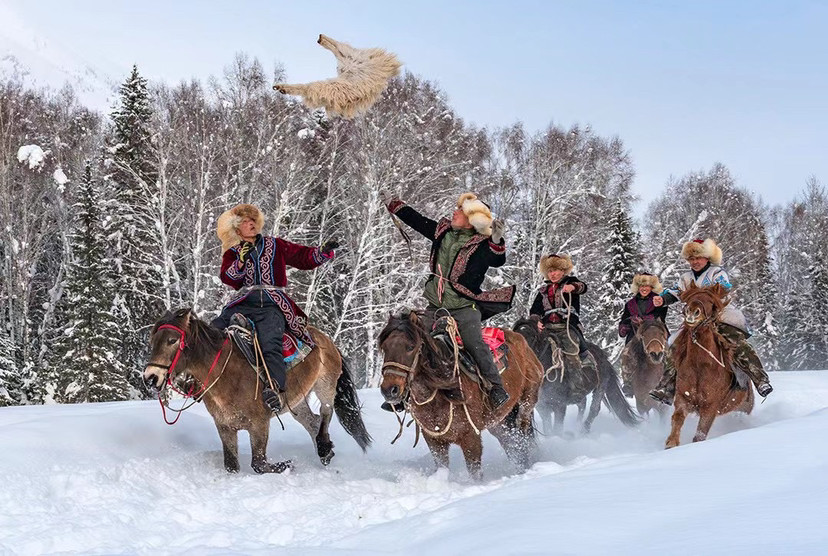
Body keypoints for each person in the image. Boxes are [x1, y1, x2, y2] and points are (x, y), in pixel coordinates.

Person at [380, 190, 515, 409]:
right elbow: (416, 220)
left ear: (472, 220)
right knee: (412, 341)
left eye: (460, 211)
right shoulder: (442, 232)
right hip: (435, 306)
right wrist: (394, 204)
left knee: (475, 344)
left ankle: (495, 388)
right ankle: (403, 395)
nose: (454, 212)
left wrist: (497, 241)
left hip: (464, 307)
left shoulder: (482, 244)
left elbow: (496, 260)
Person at [212, 203, 337, 413]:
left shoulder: (275, 245)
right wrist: (240, 262)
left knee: (270, 341)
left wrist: (322, 252)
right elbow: (229, 278)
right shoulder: (232, 253)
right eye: (245, 222)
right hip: (244, 301)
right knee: (213, 330)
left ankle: (275, 390)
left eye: (253, 221)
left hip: (273, 302)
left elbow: (302, 257)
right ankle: (199, 380)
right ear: (237, 229)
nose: (251, 224)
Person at [648, 238, 773, 404]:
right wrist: (662, 299)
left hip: (719, 316)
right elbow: (676, 292)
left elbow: (722, 289)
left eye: (698, 258)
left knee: (737, 343)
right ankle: (667, 387)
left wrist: (700, 297)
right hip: (694, 320)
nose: (695, 262)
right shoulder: (685, 277)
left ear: (707, 258)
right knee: (674, 345)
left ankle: (760, 379)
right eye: (691, 259)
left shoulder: (717, 273)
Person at [529, 253, 595, 394]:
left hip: (566, 326)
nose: (553, 274)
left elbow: (583, 287)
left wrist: (573, 287)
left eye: (556, 270)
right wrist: (536, 321)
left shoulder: (571, 282)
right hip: (547, 328)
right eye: (550, 271)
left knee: (571, 353)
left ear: (563, 271)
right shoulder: (543, 291)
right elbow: (534, 309)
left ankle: (577, 388)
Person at [618, 272, 668, 395]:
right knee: (626, 354)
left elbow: (661, 316)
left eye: (647, 286)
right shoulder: (629, 304)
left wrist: (645, 319)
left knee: (671, 353)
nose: (644, 289)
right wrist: (628, 322)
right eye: (641, 286)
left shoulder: (658, 300)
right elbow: (624, 319)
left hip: (656, 333)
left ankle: (671, 380)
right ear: (637, 287)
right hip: (636, 335)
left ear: (652, 287)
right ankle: (628, 383)